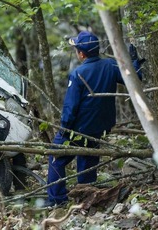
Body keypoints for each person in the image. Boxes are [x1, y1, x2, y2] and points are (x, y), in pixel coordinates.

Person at [44, 30, 142, 207]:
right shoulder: (111, 66)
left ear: (81, 54)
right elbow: (135, 79)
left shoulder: (78, 74)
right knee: (88, 161)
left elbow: (70, 108)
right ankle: (86, 198)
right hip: (98, 128)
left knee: (55, 157)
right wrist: (135, 62)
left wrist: (64, 128)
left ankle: (57, 201)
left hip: (77, 130)